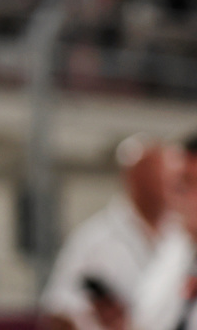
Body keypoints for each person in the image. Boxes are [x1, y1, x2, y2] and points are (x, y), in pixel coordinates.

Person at [40, 135, 182, 330]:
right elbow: (58, 312)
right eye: (154, 173)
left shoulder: (182, 237)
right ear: (131, 177)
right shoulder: (92, 240)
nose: (165, 182)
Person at [130, 133, 197, 330]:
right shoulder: (173, 249)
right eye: (172, 183)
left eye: (189, 181)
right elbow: (146, 318)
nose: (176, 196)